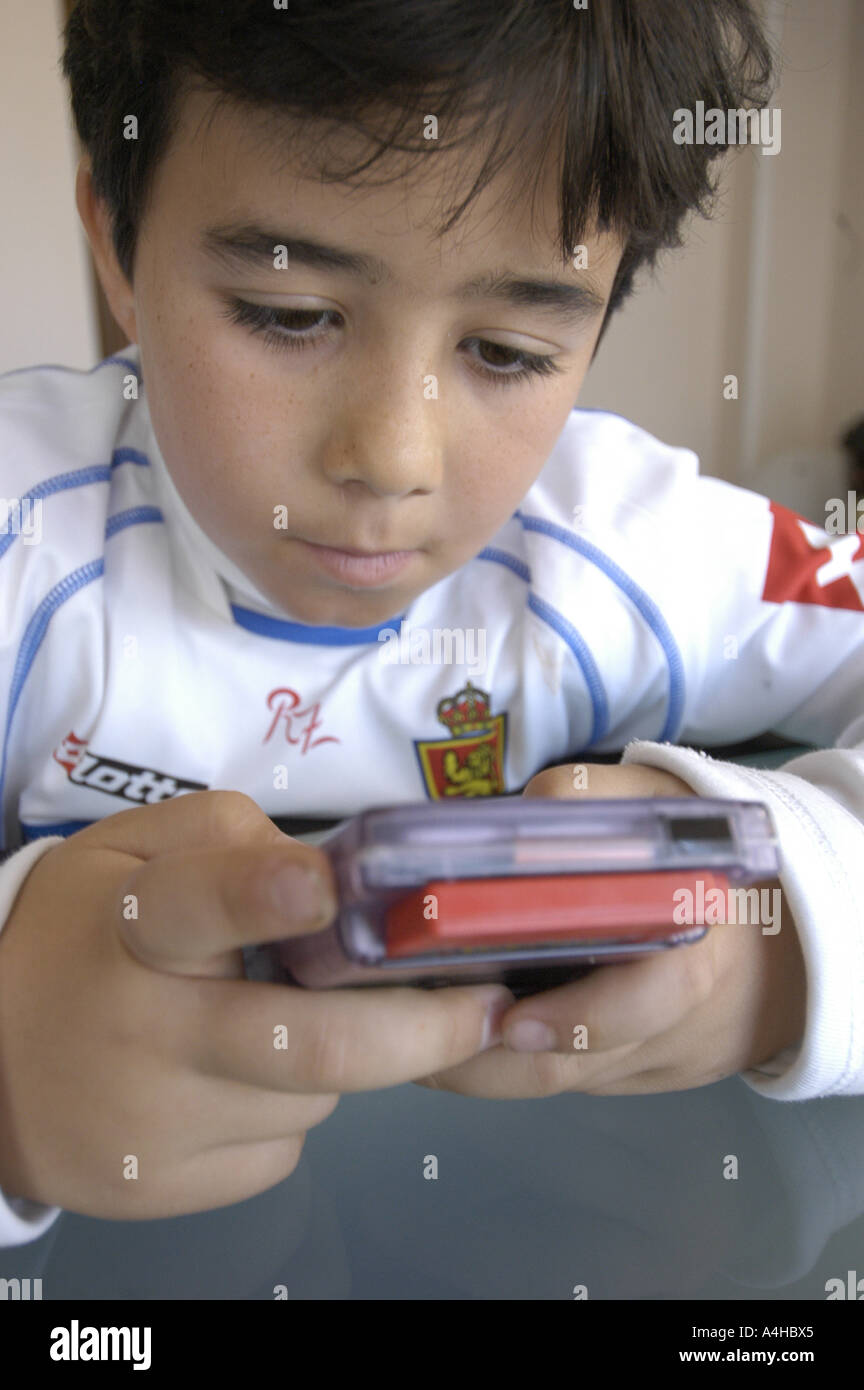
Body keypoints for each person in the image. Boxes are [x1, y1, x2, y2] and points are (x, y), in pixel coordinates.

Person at [0, 0, 861, 1251]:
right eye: (290, 316)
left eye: (508, 351)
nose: (391, 459)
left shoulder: (623, 540)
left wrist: (795, 941)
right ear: (118, 248)